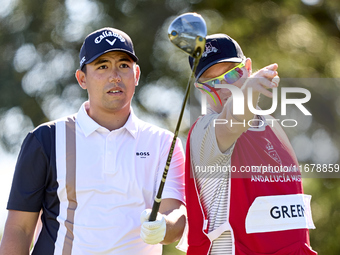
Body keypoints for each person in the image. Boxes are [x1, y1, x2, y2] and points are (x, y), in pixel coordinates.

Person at [0, 27, 186, 255]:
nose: (115, 76)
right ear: (82, 79)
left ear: (136, 75)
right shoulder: (45, 139)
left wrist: (164, 227)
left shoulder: (163, 143)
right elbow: (19, 228)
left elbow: (176, 216)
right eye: (102, 66)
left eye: (124, 65)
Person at [177, 34, 317, 255]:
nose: (223, 88)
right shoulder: (205, 131)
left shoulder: (273, 127)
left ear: (248, 67)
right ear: (199, 88)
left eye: (232, 74)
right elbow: (234, 121)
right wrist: (248, 90)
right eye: (211, 82)